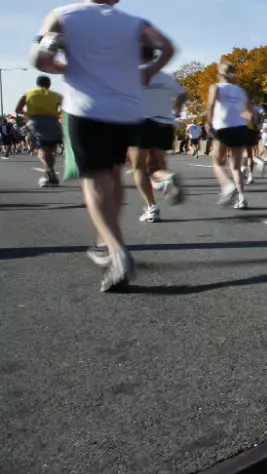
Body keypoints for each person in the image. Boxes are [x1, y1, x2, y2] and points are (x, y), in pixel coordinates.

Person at [32, 0, 176, 292]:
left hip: (86, 108)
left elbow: (40, 59)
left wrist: (62, 66)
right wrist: (148, 71)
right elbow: (168, 47)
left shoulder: (63, 15)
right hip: (127, 110)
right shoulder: (134, 22)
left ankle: (116, 251)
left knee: (95, 179)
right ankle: (105, 239)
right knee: (114, 172)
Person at [130, 45, 186, 223]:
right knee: (156, 166)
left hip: (142, 122)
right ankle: (167, 177)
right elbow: (183, 95)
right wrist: (176, 109)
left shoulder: (133, 74)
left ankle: (151, 207)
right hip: (165, 123)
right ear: (154, 56)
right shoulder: (165, 76)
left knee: (138, 167)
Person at [207, 61, 258, 209]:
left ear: (220, 73)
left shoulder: (216, 87)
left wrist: (209, 123)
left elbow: (210, 105)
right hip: (240, 128)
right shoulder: (241, 91)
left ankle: (227, 186)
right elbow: (249, 112)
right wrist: (253, 125)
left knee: (217, 162)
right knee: (235, 167)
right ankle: (242, 198)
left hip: (223, 127)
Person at [16, 75, 63, 187]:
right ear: (49, 84)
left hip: (36, 122)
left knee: (43, 149)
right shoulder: (56, 95)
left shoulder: (28, 93)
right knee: (52, 148)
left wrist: (28, 114)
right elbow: (65, 108)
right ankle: (50, 172)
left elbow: (18, 109)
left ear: (37, 84)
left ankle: (49, 171)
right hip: (53, 122)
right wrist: (56, 114)